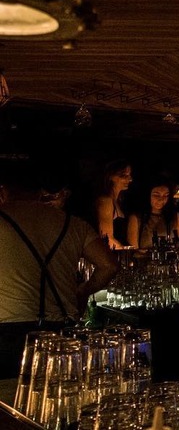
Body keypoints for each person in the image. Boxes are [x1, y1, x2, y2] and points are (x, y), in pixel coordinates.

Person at [0, 161, 119, 378]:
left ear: (2, 191)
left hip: (6, 330)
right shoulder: (73, 223)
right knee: (54, 399)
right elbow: (109, 265)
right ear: (39, 191)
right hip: (59, 330)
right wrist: (83, 291)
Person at [127, 175, 179, 250]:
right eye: (156, 195)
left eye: (166, 195)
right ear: (148, 195)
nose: (161, 200)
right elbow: (133, 250)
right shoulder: (137, 218)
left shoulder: (174, 217)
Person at [94, 159, 133, 249]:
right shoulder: (105, 201)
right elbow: (107, 238)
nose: (130, 179)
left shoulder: (118, 202)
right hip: (111, 257)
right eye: (124, 175)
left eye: (129, 175)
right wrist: (128, 254)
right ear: (110, 176)